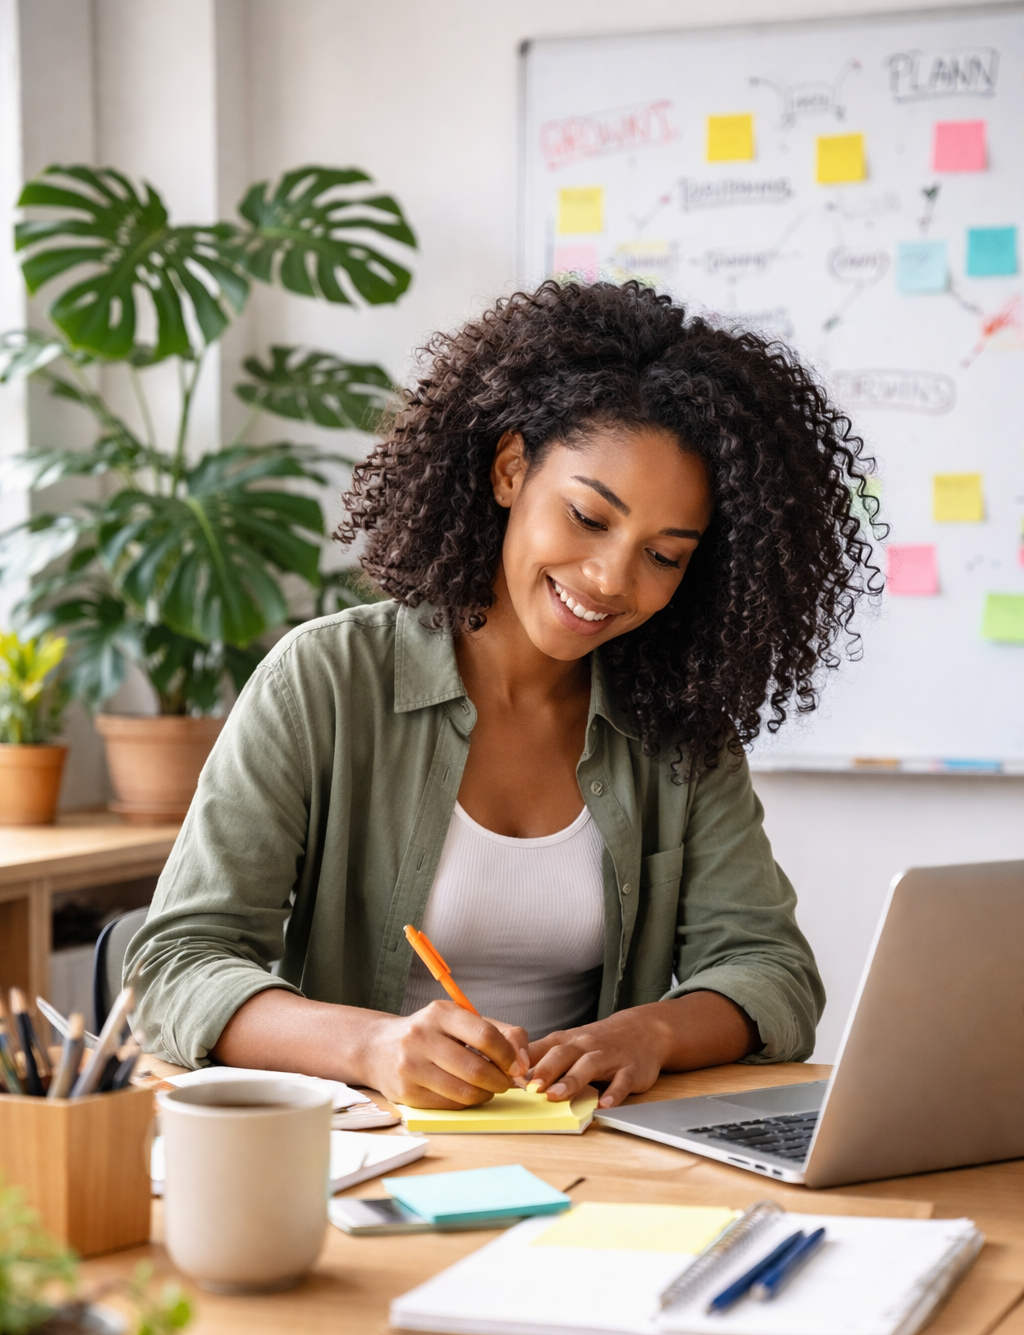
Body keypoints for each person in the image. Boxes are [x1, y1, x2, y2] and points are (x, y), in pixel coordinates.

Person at [127, 280, 879, 1110]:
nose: (609, 579)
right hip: (368, 1158)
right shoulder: (327, 680)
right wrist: (372, 1046)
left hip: (595, 1155)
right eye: (589, 518)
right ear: (510, 469)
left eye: (663, 556)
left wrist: (652, 1032)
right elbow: (175, 966)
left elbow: (772, 971)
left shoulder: (676, 726)